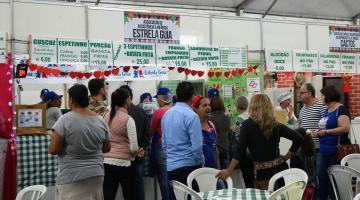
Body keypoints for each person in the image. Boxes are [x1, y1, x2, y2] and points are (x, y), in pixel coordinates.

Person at [217, 94, 303, 190]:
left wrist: (228, 171)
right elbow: (299, 138)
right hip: (279, 172)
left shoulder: (247, 125)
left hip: (260, 175)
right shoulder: (276, 125)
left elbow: (239, 152)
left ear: (252, 106)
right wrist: (287, 155)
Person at [48, 84, 111, 200]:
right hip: (96, 174)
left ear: (71, 100)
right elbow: (107, 148)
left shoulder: (65, 119)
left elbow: (54, 149)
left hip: (71, 175)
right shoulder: (100, 120)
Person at [162, 81, 204, 193]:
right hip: (189, 167)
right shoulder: (192, 116)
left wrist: (172, 157)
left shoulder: (166, 115)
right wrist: (201, 162)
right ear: (192, 97)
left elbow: (164, 144)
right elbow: (197, 147)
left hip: (171, 167)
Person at [313, 85, 350, 200]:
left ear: (327, 96)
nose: (321, 97)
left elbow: (345, 128)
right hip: (324, 151)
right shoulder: (326, 111)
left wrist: (327, 132)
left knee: (334, 182)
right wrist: (319, 132)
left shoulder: (340, 109)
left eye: (322, 95)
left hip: (336, 151)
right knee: (322, 179)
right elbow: (325, 127)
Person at [103, 88, 139, 200]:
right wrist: (136, 151)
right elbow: (133, 148)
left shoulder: (106, 116)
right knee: (129, 195)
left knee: (108, 194)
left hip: (107, 161)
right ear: (126, 100)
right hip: (125, 163)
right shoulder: (128, 119)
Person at [120, 85, 149, 200]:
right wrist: (142, 146)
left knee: (127, 187)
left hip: (123, 156)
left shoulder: (116, 114)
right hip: (138, 155)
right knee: (138, 184)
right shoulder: (141, 111)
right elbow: (147, 132)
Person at [298, 83, 326, 195]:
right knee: (310, 177)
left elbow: (326, 123)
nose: (299, 95)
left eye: (302, 93)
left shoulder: (321, 105)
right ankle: (313, 196)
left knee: (320, 175)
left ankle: (322, 196)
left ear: (310, 93)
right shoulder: (302, 109)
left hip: (319, 147)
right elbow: (300, 125)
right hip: (307, 148)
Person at [150, 87, 174, 200]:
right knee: (172, 180)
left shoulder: (158, 112)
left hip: (161, 147)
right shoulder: (175, 110)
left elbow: (150, 131)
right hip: (174, 148)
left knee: (164, 182)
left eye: (157, 99)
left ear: (161, 99)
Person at [231, 96, 254, 188]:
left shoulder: (240, 118)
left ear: (237, 106)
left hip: (245, 153)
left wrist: (233, 130)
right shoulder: (251, 116)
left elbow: (237, 137)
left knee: (247, 177)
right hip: (253, 151)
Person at [193, 95, 220, 169]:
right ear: (196, 109)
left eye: (209, 105)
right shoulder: (193, 127)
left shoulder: (211, 125)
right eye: (204, 105)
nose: (208, 107)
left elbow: (215, 150)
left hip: (212, 171)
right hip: (199, 171)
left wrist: (218, 169)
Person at [208, 88, 231, 170]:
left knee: (215, 177)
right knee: (225, 177)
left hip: (214, 150)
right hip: (225, 149)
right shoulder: (227, 117)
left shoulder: (209, 119)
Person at [290, 127, 316, 198]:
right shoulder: (310, 152)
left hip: (301, 189)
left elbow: (293, 176)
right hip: (311, 187)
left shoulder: (296, 155)